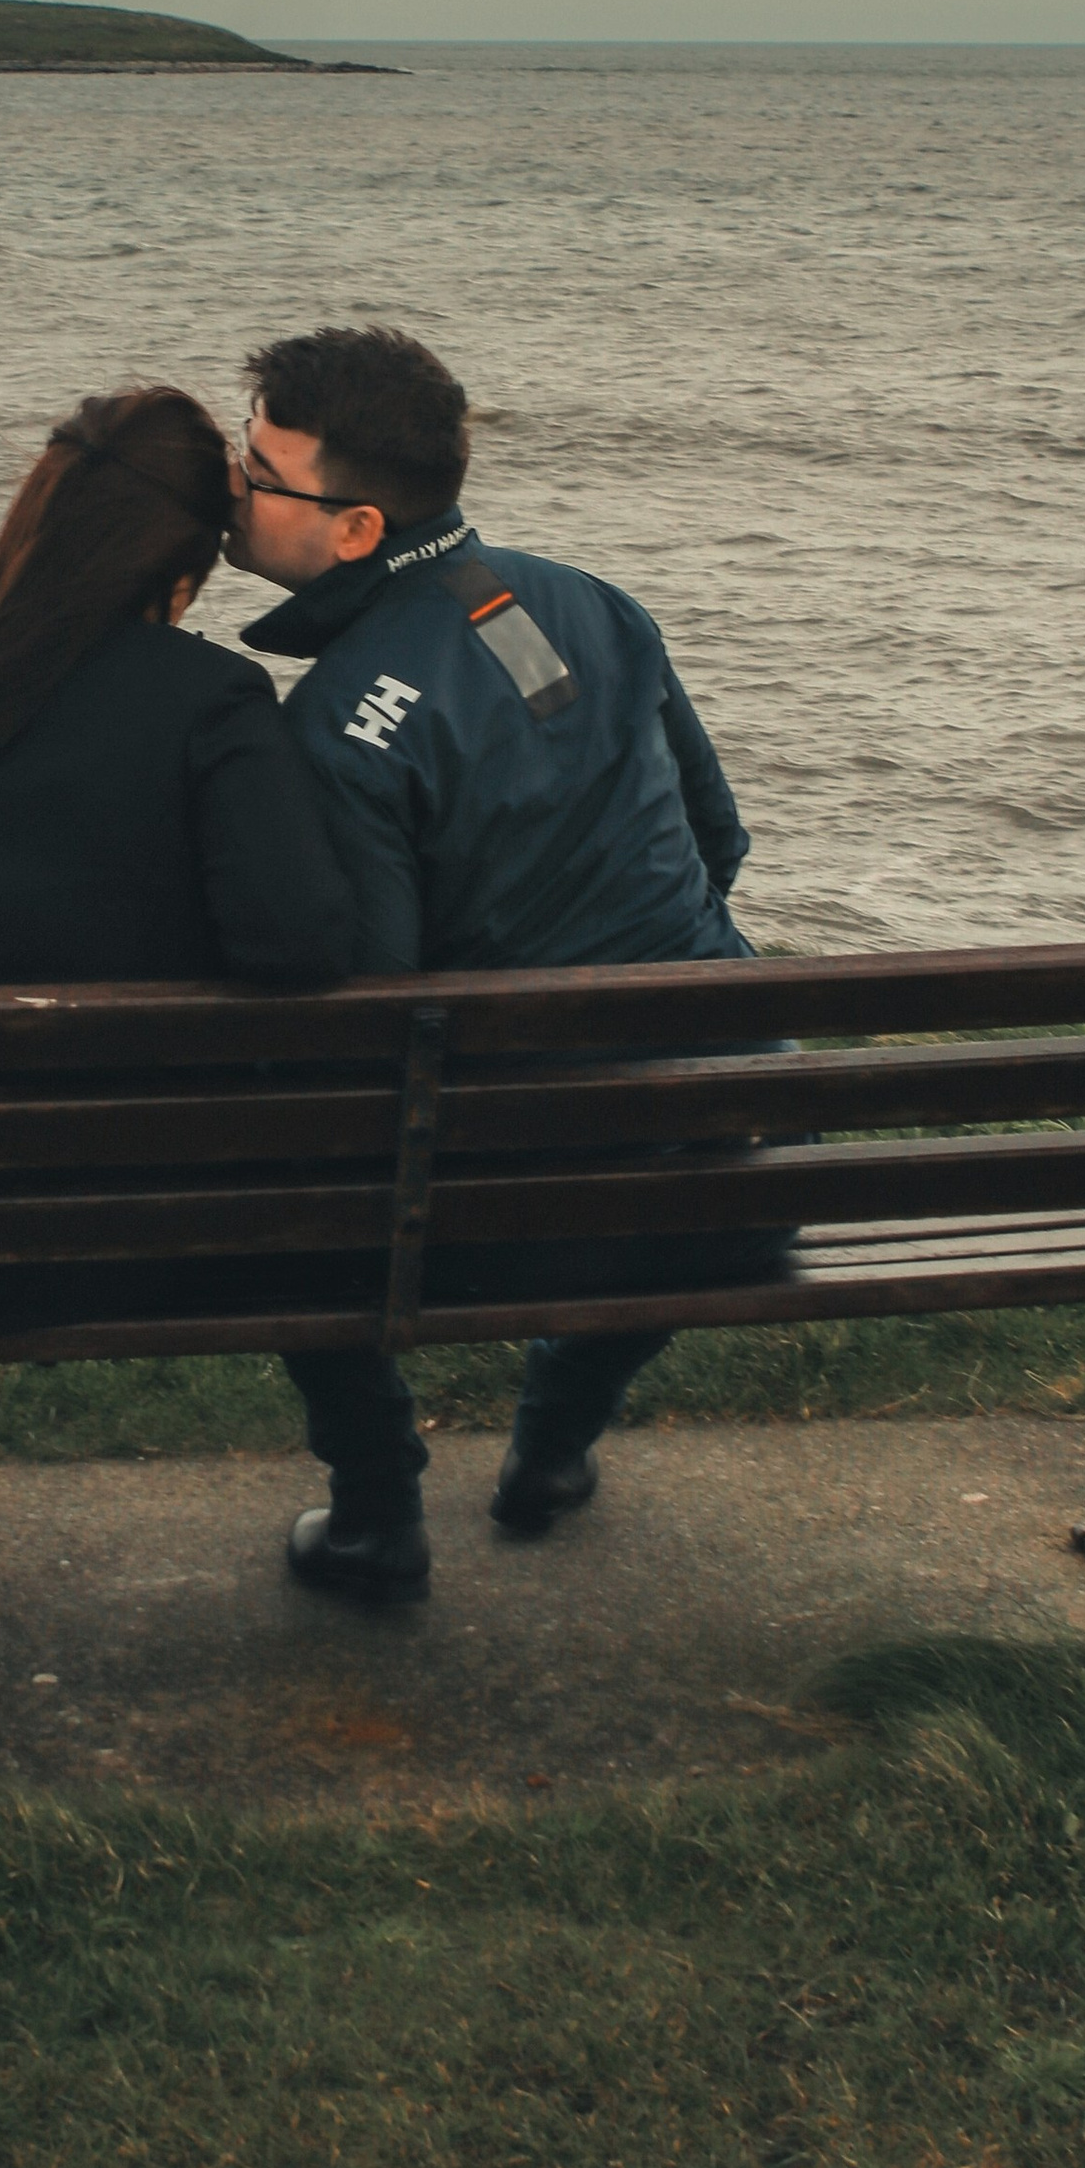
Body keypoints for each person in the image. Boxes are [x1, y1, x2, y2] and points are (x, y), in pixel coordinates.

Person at [226, 323, 770, 1606]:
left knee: (290, 1179)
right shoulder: (578, 601)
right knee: (669, 1151)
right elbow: (719, 835)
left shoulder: (337, 728)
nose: (229, 493)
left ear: (354, 530)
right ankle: (552, 1445)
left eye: (255, 472)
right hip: (729, 1128)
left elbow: (373, 1005)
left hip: (501, 1191)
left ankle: (375, 1515)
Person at [0, 383, 354, 1590]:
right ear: (185, 555)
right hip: (126, 1213)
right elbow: (299, 945)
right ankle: (378, 1503)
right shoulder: (211, 703)